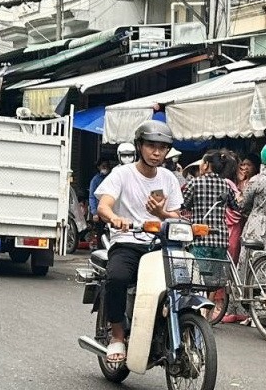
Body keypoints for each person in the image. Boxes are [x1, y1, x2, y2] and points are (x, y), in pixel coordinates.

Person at [95, 120, 185, 363]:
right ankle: (116, 336)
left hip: (161, 243)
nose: (156, 152)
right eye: (151, 146)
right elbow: (104, 205)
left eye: (162, 148)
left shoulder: (168, 178)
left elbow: (176, 215)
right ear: (139, 146)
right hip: (128, 241)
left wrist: (161, 215)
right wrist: (115, 218)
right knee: (117, 278)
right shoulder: (122, 174)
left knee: (183, 281)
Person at [182, 149, 235, 263]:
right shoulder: (226, 184)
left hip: (200, 239)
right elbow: (234, 206)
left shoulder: (194, 183)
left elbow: (182, 205)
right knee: (216, 278)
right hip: (220, 239)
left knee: (199, 278)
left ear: (206, 165)